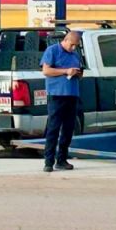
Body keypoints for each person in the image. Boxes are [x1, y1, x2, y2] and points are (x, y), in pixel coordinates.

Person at [40, 31, 83, 172]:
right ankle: (48, 161)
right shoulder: (53, 51)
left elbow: (79, 71)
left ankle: (62, 159)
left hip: (72, 94)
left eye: (76, 46)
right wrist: (65, 71)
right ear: (66, 40)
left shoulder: (75, 55)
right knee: (53, 128)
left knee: (68, 129)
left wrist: (77, 73)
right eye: (72, 45)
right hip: (57, 94)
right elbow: (46, 71)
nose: (73, 48)